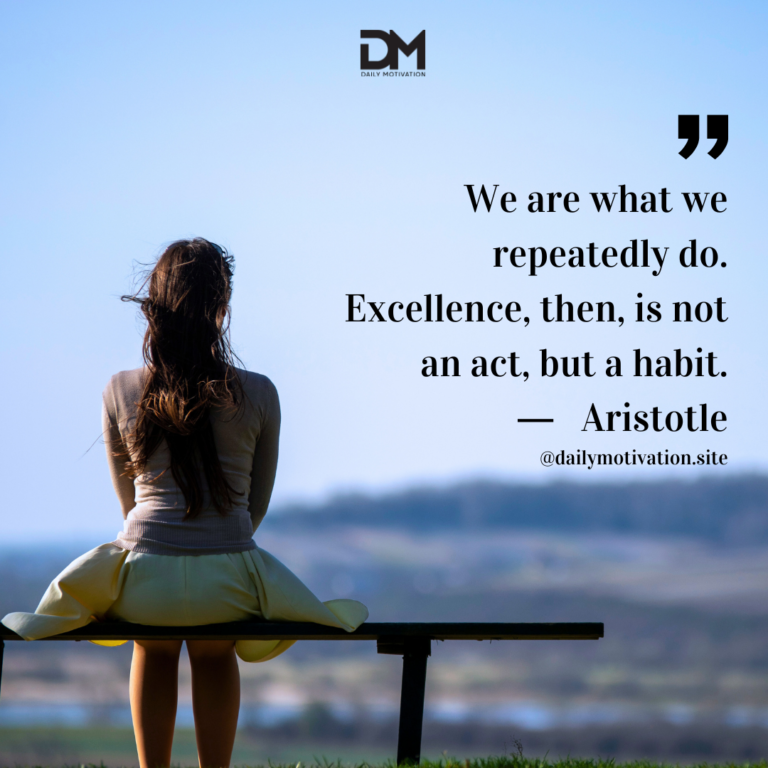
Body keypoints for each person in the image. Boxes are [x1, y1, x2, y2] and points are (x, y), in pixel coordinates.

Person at [2, 238, 368, 768]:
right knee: (216, 654)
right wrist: (216, 542)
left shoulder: (119, 389)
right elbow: (253, 506)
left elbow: (128, 505)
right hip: (230, 577)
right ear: (222, 306)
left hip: (147, 580)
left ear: (155, 304)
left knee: (152, 647)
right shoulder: (260, 393)